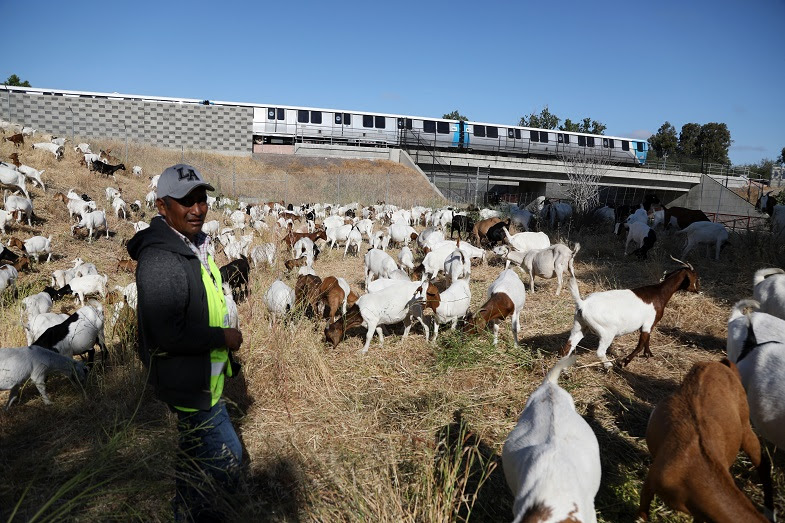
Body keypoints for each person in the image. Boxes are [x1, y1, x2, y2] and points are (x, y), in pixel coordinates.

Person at [127, 164, 244, 521]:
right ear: (162, 206)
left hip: (202, 378)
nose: (197, 208)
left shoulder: (190, 246)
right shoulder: (162, 258)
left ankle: (186, 513)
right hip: (190, 385)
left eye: (201, 198)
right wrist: (224, 337)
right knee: (228, 461)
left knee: (193, 464)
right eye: (185, 201)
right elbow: (166, 331)